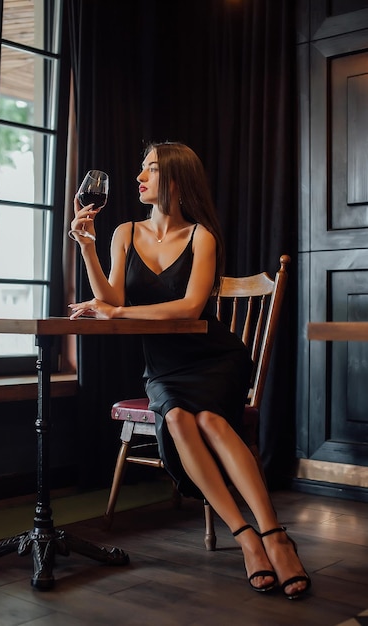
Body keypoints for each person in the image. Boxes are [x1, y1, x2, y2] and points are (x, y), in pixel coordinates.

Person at [68, 141, 311, 600]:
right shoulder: (124, 232)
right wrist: (87, 249)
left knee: (213, 421)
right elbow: (114, 299)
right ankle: (247, 538)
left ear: (176, 181)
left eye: (151, 169)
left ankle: (274, 534)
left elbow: (191, 307)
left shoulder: (202, 236)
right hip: (164, 367)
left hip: (214, 358)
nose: (139, 177)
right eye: (141, 168)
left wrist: (115, 315)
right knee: (179, 417)